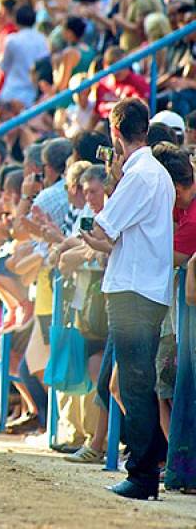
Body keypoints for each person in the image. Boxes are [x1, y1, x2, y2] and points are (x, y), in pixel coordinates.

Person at [80, 97, 174, 499]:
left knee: (135, 384)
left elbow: (103, 232)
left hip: (133, 290)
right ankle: (146, 470)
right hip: (146, 288)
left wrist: (84, 236)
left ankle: (141, 475)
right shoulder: (156, 173)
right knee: (139, 382)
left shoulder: (140, 174)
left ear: (115, 132)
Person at [0, 4, 49, 110]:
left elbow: (4, 66)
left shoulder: (12, 40)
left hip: (12, 92)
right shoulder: (42, 40)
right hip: (33, 95)